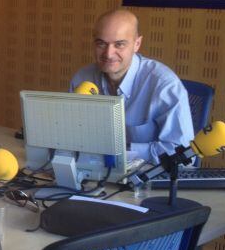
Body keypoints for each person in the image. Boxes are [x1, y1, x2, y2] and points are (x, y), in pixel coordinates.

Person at [70, 9, 193, 163]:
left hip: (149, 179)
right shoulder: (82, 78)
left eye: (119, 44)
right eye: (101, 44)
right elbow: (72, 134)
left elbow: (182, 153)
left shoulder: (164, 85)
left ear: (137, 44)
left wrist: (122, 150)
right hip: (93, 172)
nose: (108, 54)